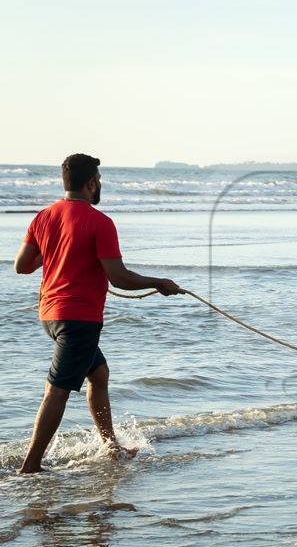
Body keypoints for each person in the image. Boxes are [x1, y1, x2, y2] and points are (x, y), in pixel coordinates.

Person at [13, 154, 183, 474]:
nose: (100, 185)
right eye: (99, 180)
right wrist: (158, 283)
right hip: (78, 319)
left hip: (50, 316)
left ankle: (110, 447)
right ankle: (31, 466)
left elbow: (21, 266)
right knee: (57, 390)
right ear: (91, 183)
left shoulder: (43, 216)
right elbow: (119, 277)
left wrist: (55, 248)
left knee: (99, 374)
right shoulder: (99, 222)